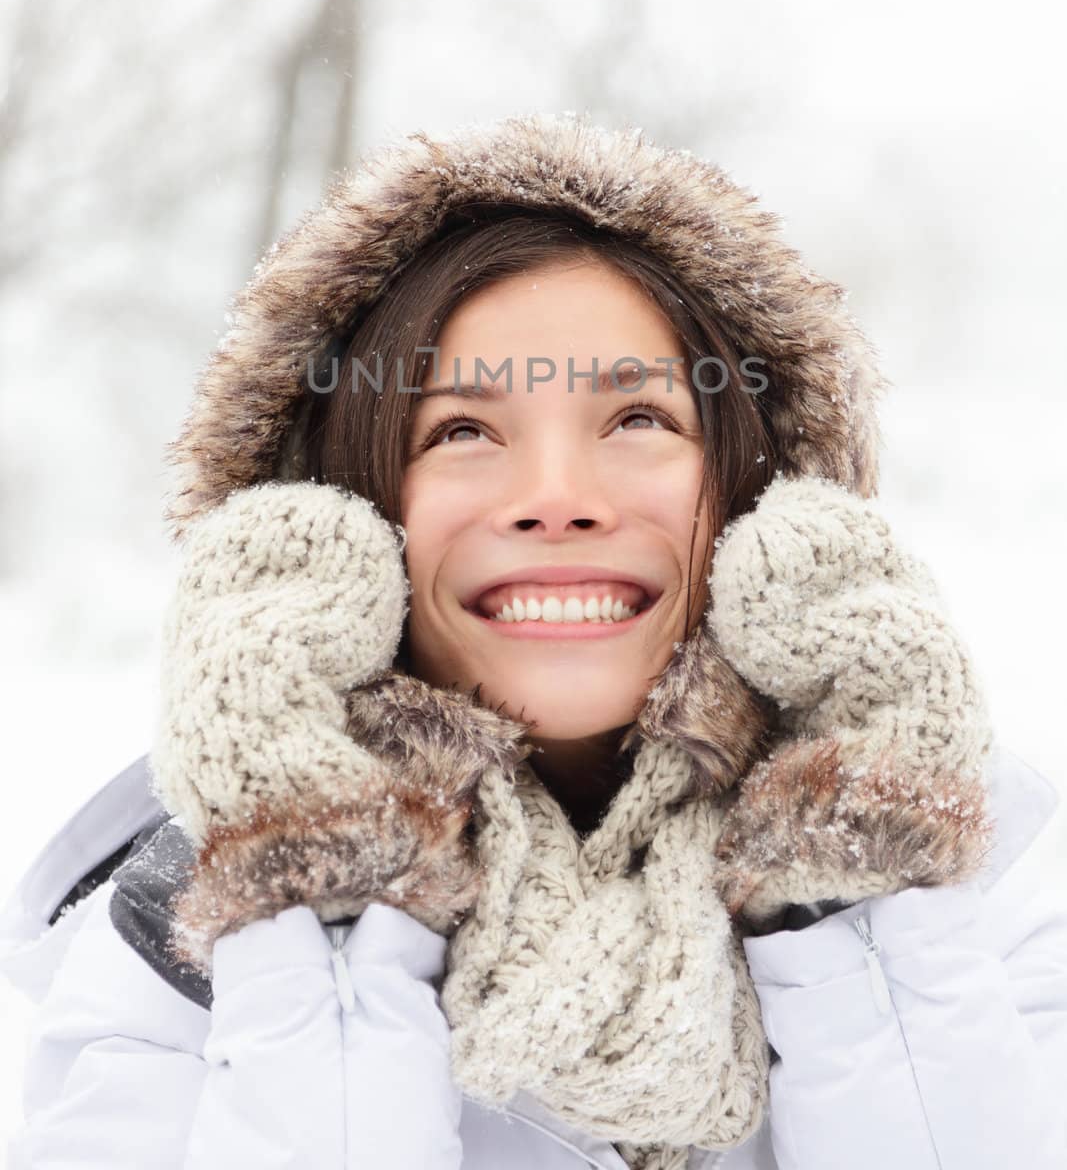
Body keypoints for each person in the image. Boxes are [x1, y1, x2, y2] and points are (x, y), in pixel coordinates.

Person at [2, 111, 1065, 1170]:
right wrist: (315, 892)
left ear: (758, 495)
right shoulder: (184, 934)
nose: (555, 499)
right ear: (337, 515)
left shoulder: (987, 874)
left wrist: (854, 865)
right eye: (461, 430)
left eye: (637, 419)